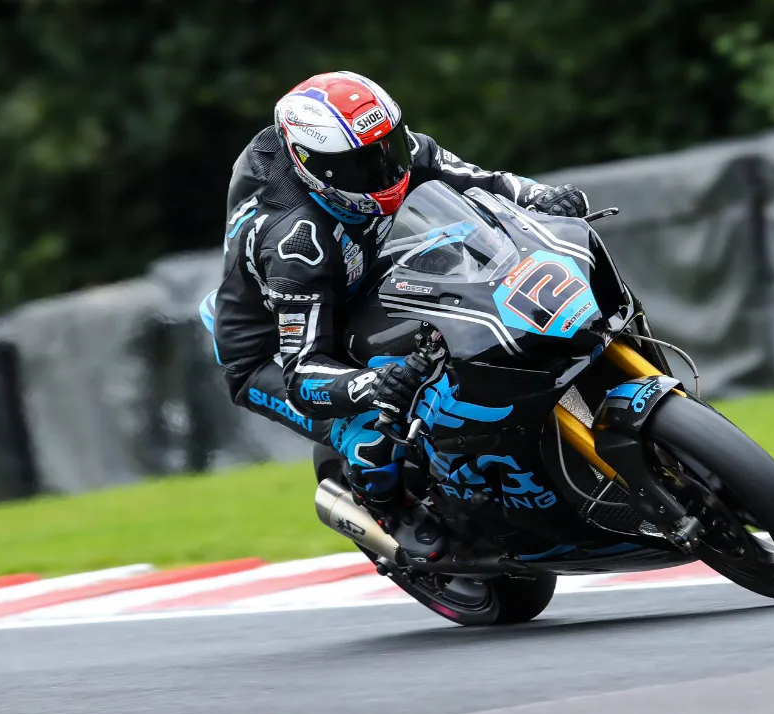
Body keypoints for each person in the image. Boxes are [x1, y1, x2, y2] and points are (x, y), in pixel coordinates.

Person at [199, 71, 589, 546]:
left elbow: (486, 183)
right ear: (316, 168)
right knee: (376, 419)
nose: (387, 171)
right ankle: (390, 512)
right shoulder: (297, 243)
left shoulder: (389, 151)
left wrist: (545, 198)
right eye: (364, 164)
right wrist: (372, 383)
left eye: (390, 148)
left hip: (358, 281)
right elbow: (302, 376)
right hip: (272, 354)